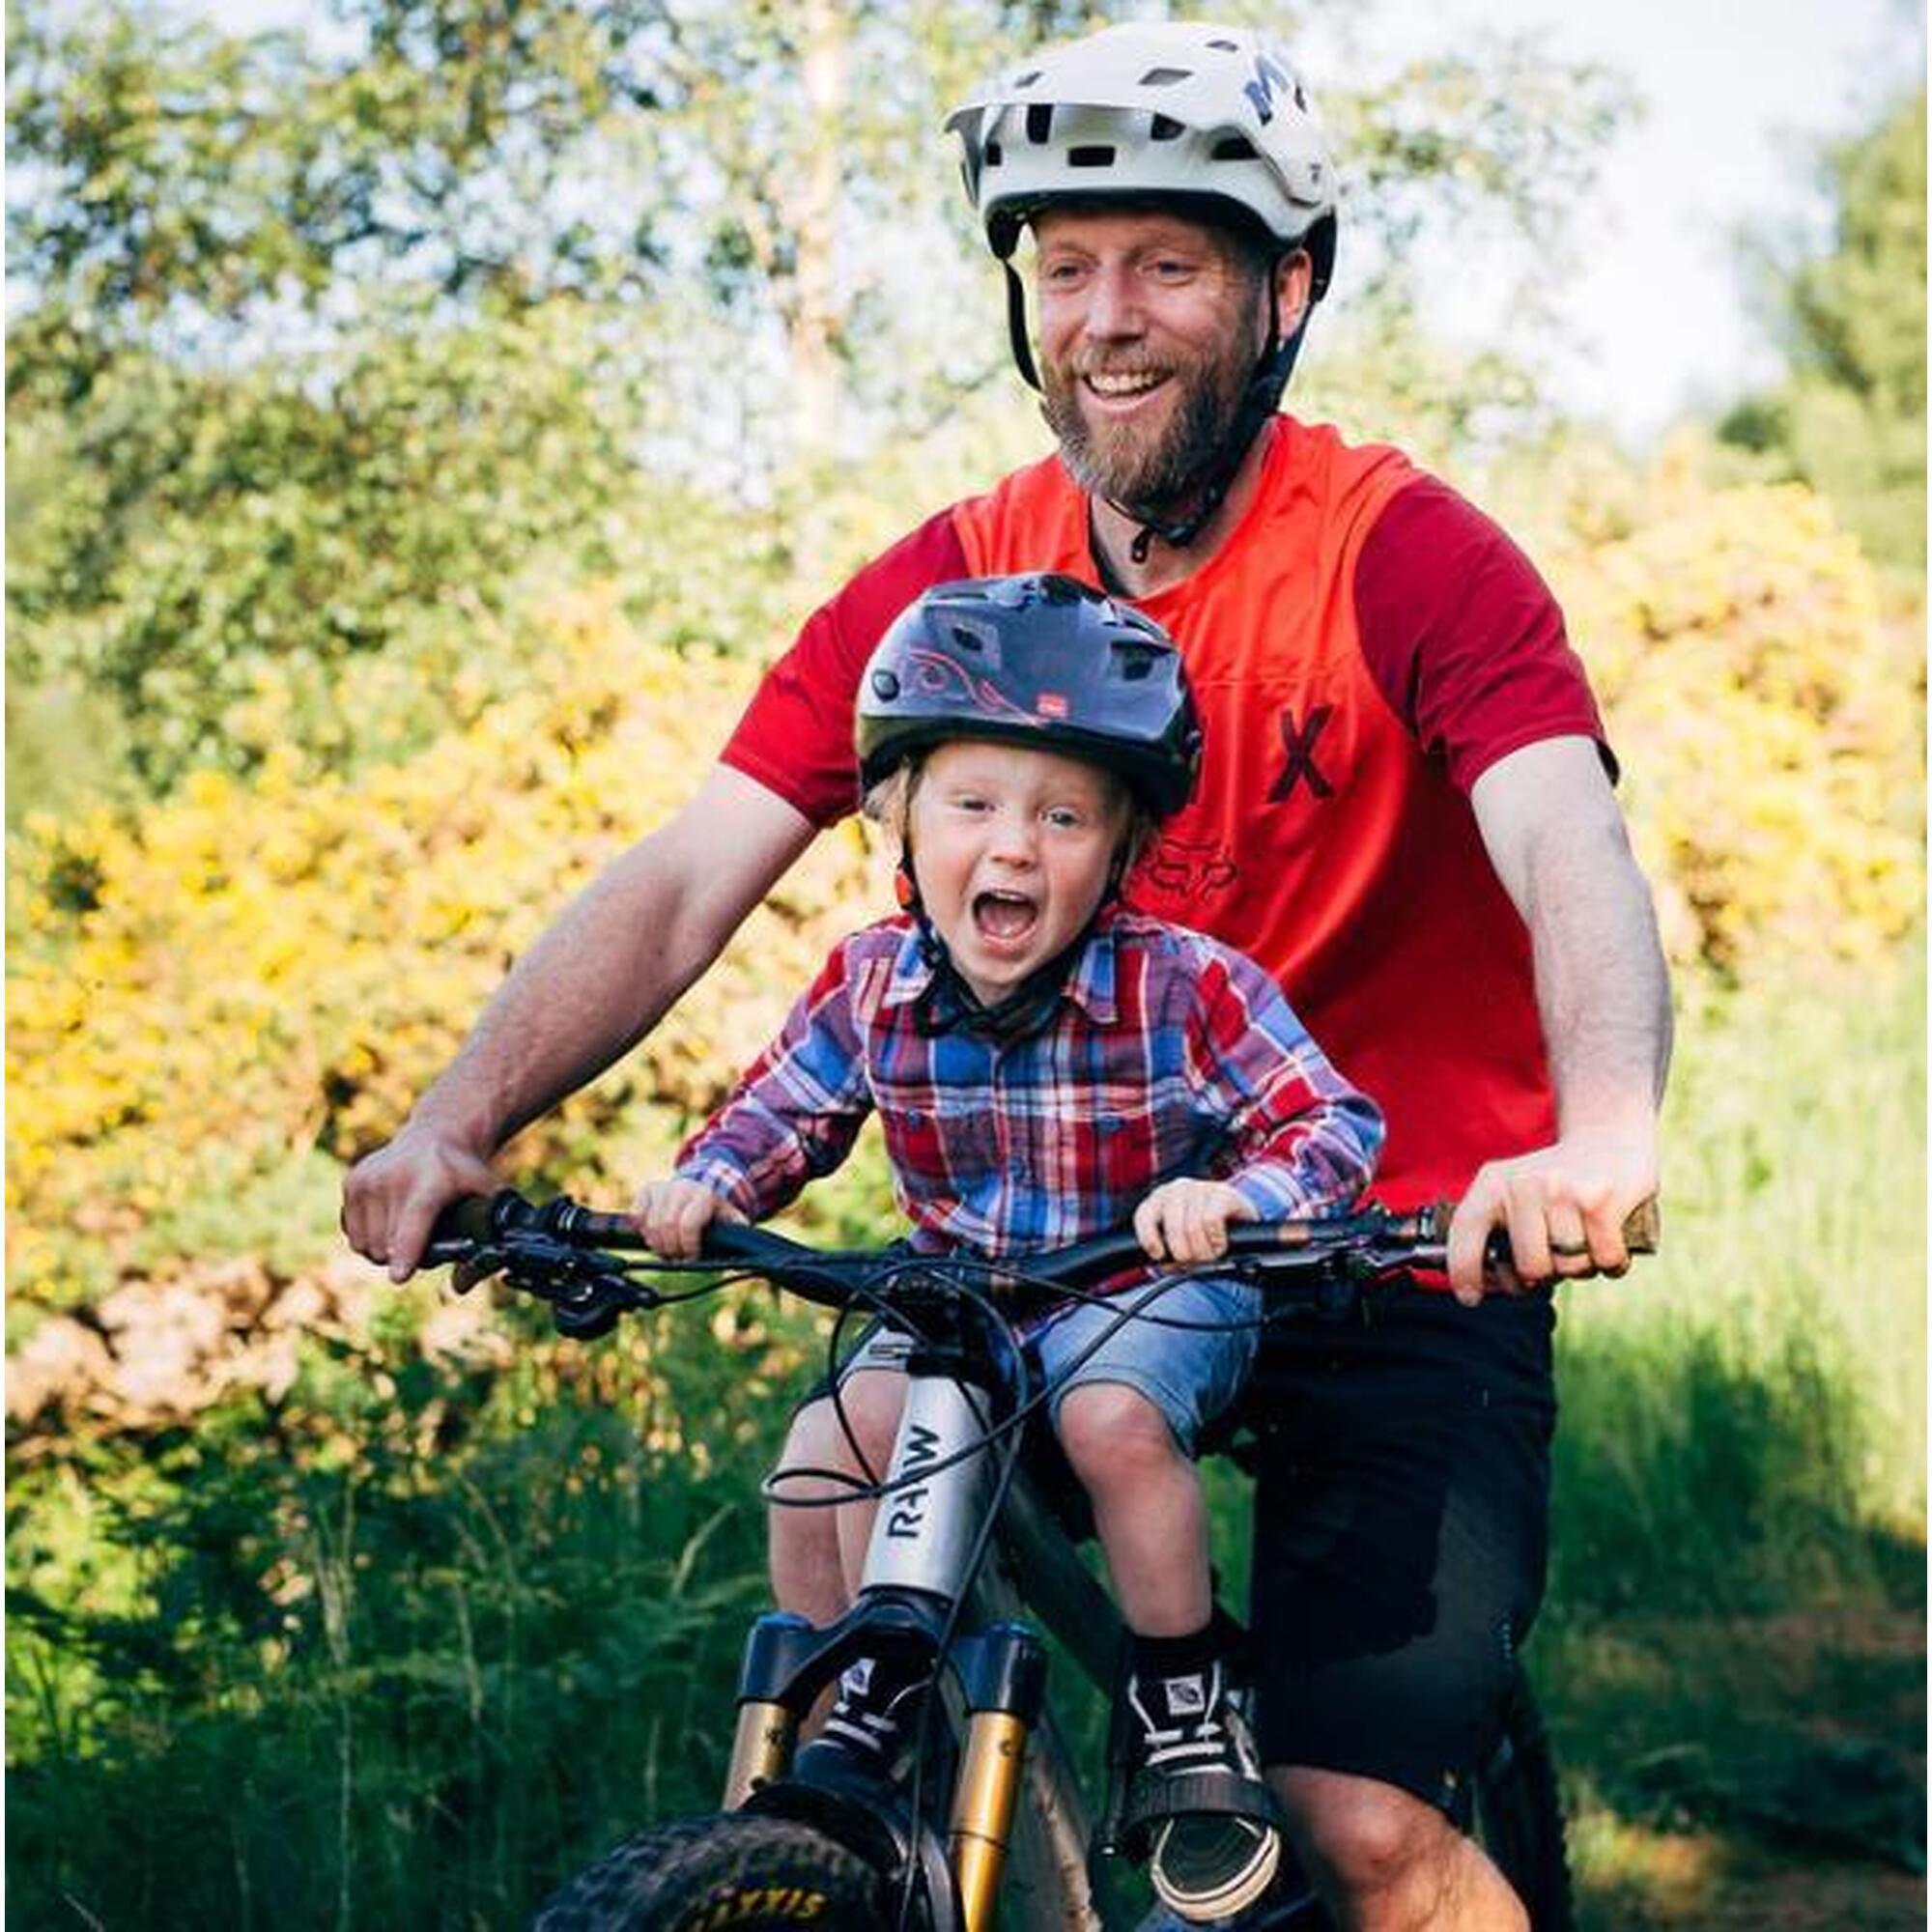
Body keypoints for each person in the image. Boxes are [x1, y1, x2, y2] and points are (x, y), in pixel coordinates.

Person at [343, 20, 1671, 1929]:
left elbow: (1568, 849)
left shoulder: (1404, 556)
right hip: (1068, 1256)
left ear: (1283, 289)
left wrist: (1600, 1129)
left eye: (1165, 262)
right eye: (1062, 265)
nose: (1104, 316)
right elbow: (686, 875)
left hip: (1397, 1236)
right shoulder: (966, 587)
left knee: (1351, 1824)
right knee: (841, 1561)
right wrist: (456, 1123)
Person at [634, 572, 1384, 1921]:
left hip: (1143, 1288)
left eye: (1063, 817)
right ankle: (850, 1740)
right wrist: (703, 1185)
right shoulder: (870, 980)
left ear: (1124, 848)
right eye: (973, 805)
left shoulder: (1185, 982)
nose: (1016, 849)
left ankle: (1185, 1716)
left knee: (1106, 1415)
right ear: (896, 820)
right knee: (824, 1453)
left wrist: (1244, 1200)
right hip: (960, 1312)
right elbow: (781, 1115)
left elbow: (1330, 1122)